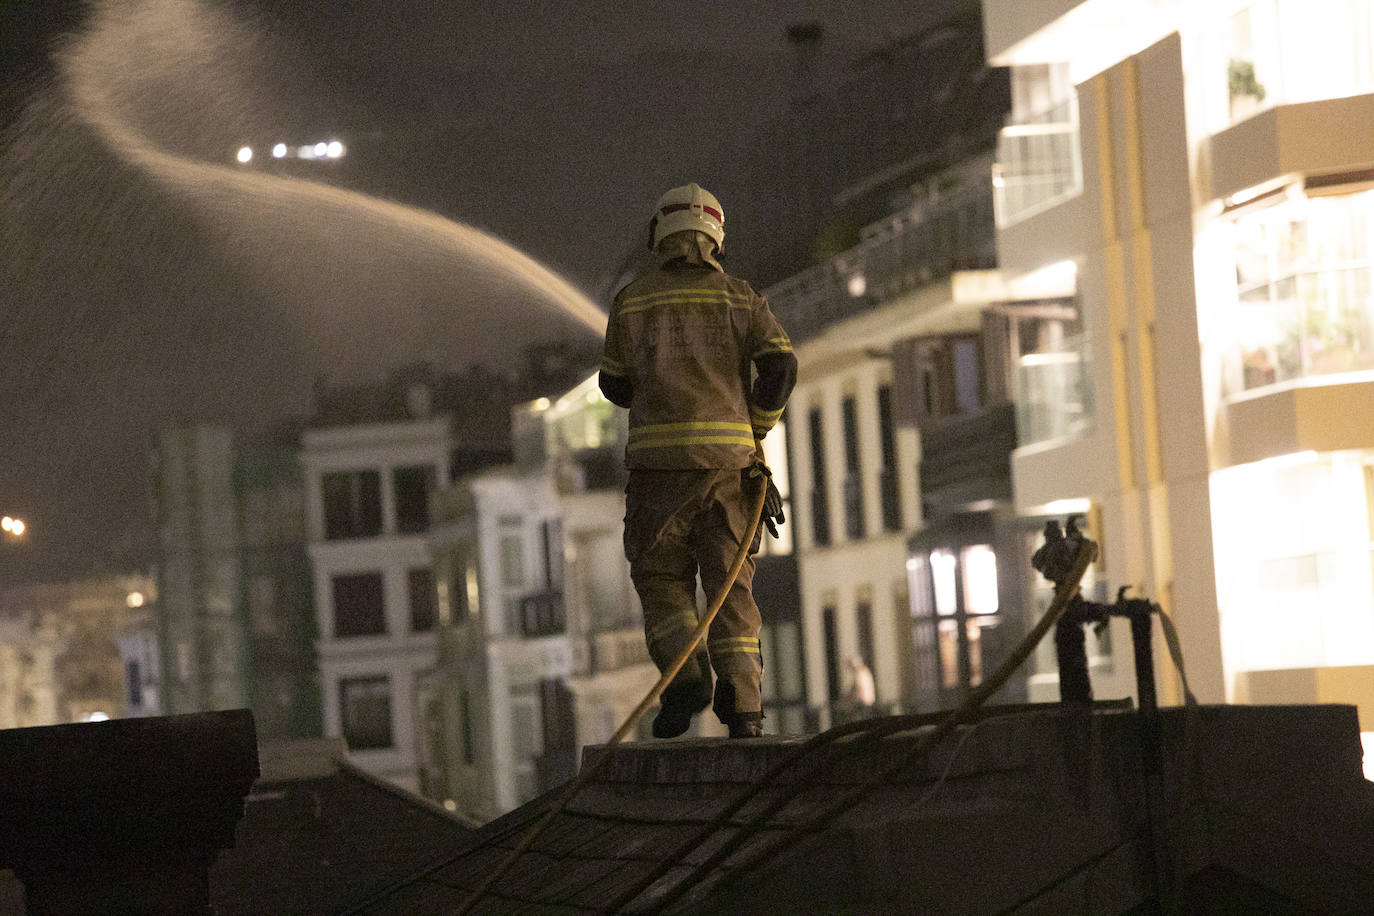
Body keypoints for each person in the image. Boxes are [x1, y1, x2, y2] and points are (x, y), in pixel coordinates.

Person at [599, 182, 796, 739]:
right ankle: (745, 704)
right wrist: (755, 427)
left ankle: (685, 676)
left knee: (662, 576)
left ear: (658, 235)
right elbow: (781, 367)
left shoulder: (634, 301)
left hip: (658, 478)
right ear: (717, 238)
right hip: (731, 473)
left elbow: (613, 384)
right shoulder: (741, 298)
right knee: (730, 585)